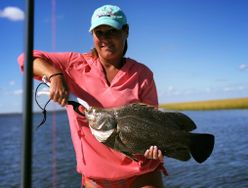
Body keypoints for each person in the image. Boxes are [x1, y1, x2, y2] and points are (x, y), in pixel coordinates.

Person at [18, 4, 166, 188]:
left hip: (142, 174)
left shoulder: (143, 74)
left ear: (125, 31)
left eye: (111, 31)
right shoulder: (73, 64)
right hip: (96, 179)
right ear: (92, 35)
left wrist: (157, 147)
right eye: (99, 33)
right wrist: (55, 75)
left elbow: (153, 123)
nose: (105, 39)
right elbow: (26, 58)